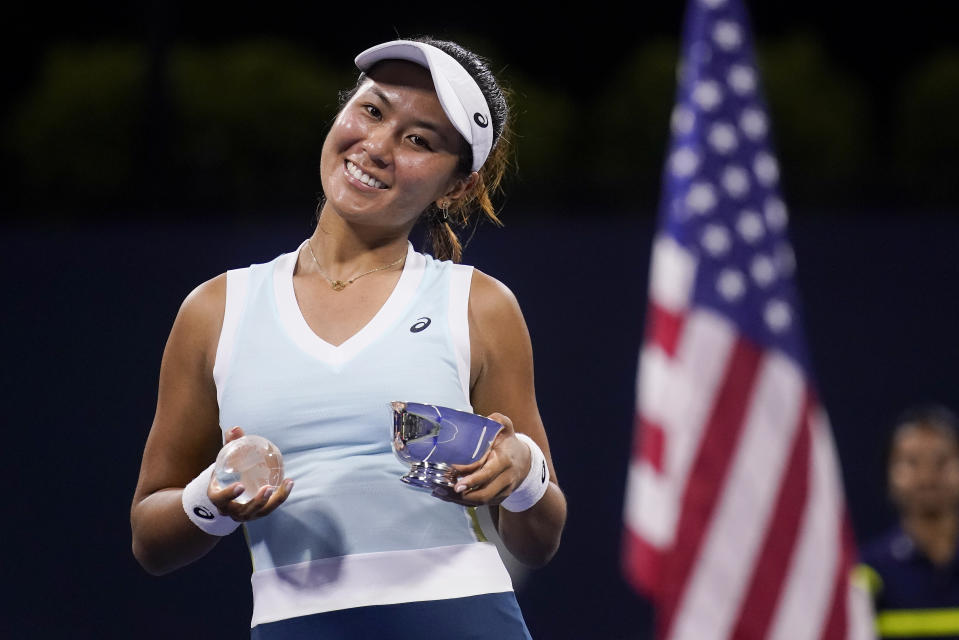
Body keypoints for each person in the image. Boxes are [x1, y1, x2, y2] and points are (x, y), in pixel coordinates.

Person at [130, 36, 567, 639]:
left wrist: (523, 474)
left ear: (456, 186)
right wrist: (211, 496)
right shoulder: (214, 310)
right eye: (372, 110)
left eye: (419, 140)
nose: (377, 146)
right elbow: (150, 539)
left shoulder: (479, 305)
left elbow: (540, 537)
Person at [854, 404, 959, 639]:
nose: (927, 477)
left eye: (941, 461)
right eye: (911, 462)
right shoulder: (868, 573)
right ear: (889, 473)